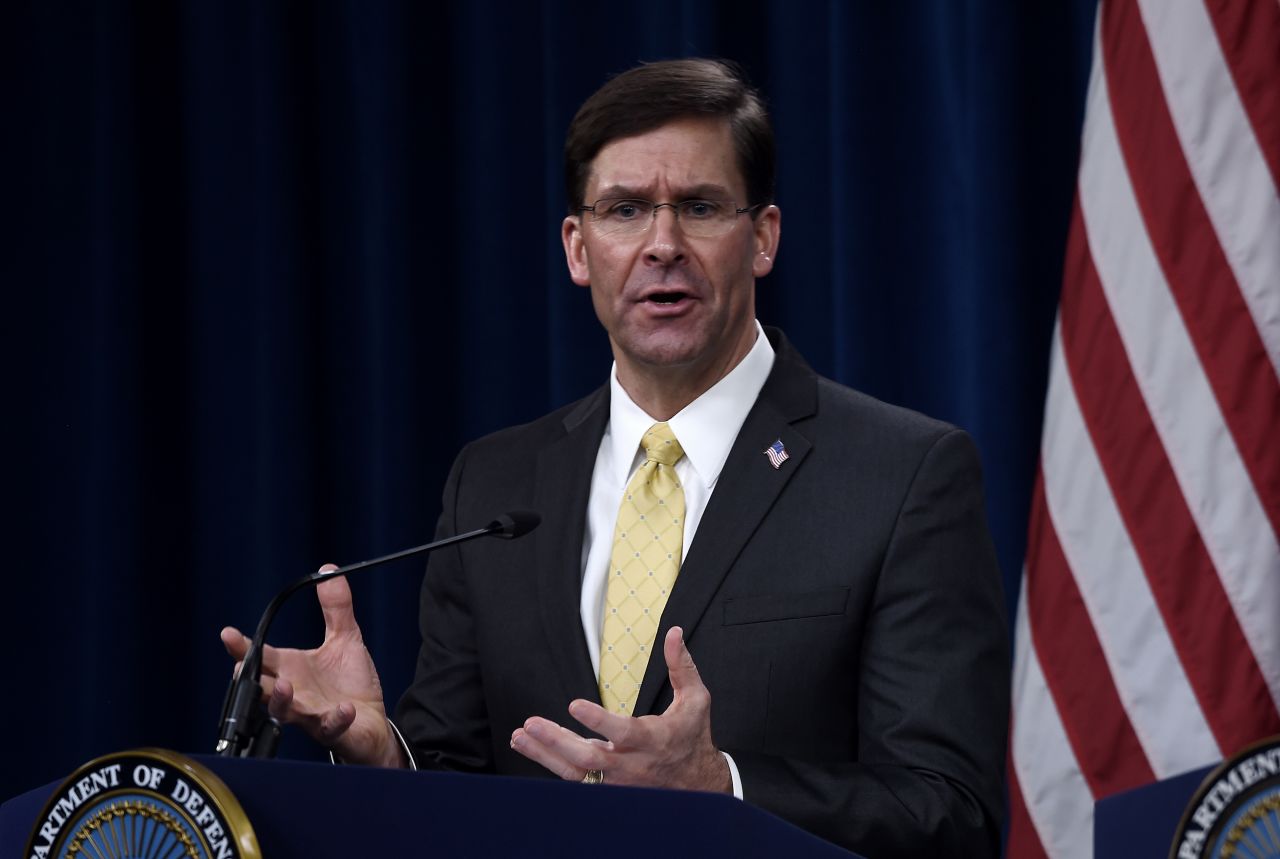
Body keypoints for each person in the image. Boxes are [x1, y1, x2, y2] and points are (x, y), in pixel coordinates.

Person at [222, 58, 1009, 855]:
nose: (662, 244)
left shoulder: (902, 475)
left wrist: (724, 786)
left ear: (763, 237)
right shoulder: (496, 484)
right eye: (625, 210)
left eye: (700, 207)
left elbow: (952, 813)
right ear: (578, 247)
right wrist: (381, 749)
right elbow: (458, 774)